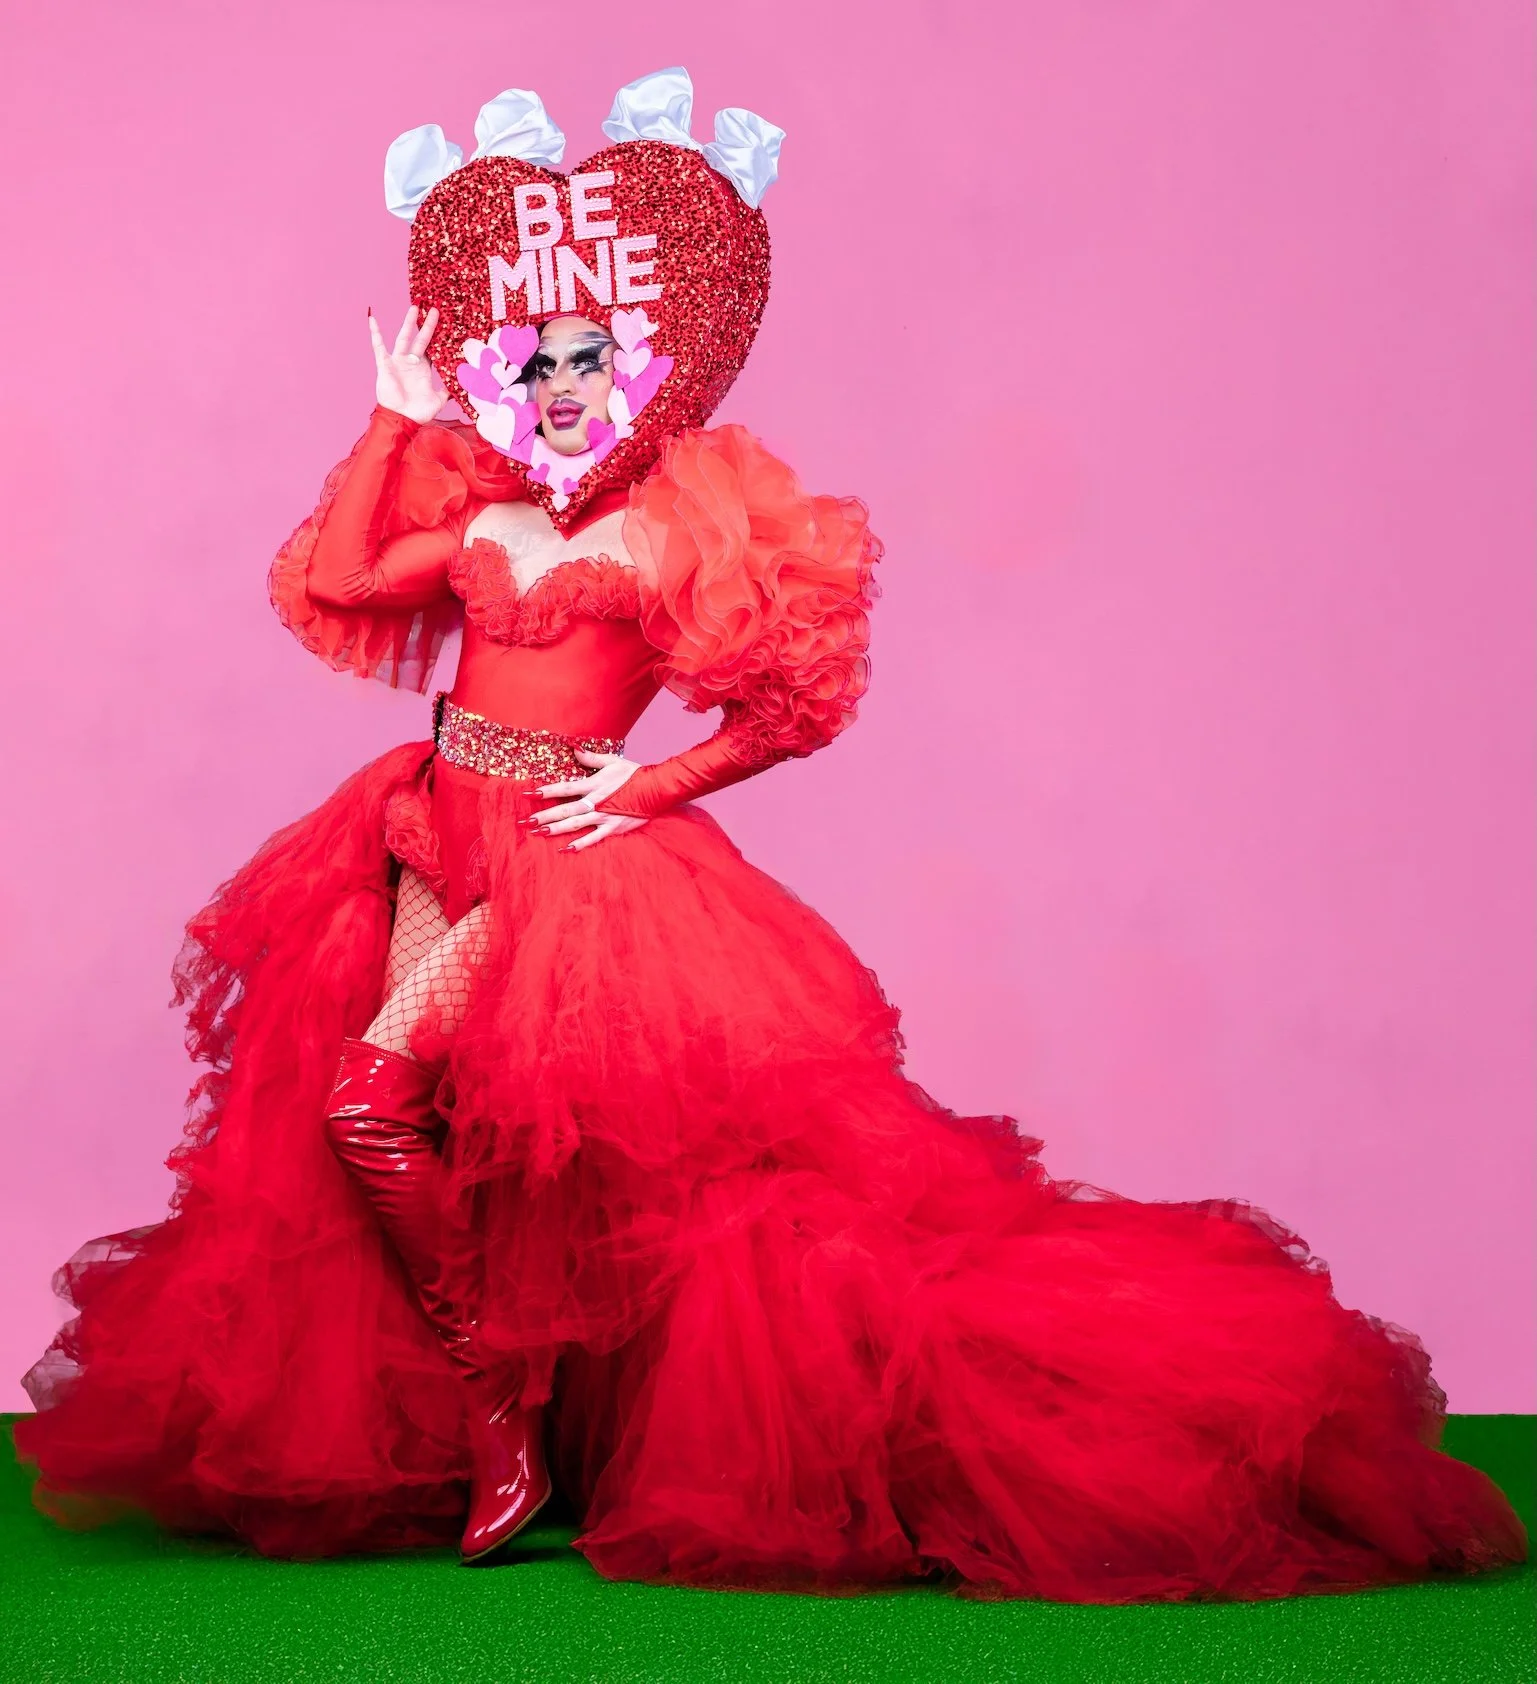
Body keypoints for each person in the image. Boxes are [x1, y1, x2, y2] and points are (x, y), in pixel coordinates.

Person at [15, 70, 1527, 1599]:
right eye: (535, 367)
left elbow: (789, 703)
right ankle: (522, 1403)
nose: (557, 391)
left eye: (586, 363)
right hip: (427, 827)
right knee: (441, 1136)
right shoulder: (481, 521)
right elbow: (339, 587)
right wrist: (388, 420)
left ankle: (505, 1398)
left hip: (562, 859)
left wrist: (644, 789)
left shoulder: (674, 532)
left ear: (643, 372)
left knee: (371, 1105)